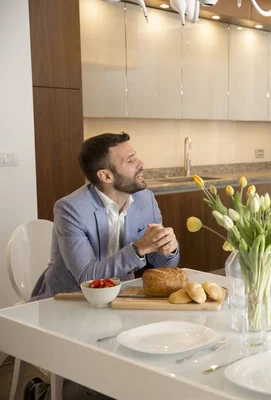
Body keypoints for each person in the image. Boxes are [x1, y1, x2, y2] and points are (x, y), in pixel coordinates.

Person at [26, 133, 180, 398]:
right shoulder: (71, 209)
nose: (141, 163)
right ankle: (41, 393)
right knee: (112, 382)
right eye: (131, 160)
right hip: (68, 305)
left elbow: (159, 263)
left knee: (161, 362)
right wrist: (140, 247)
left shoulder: (145, 200)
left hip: (121, 304)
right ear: (106, 176)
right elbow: (87, 278)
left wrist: (169, 248)